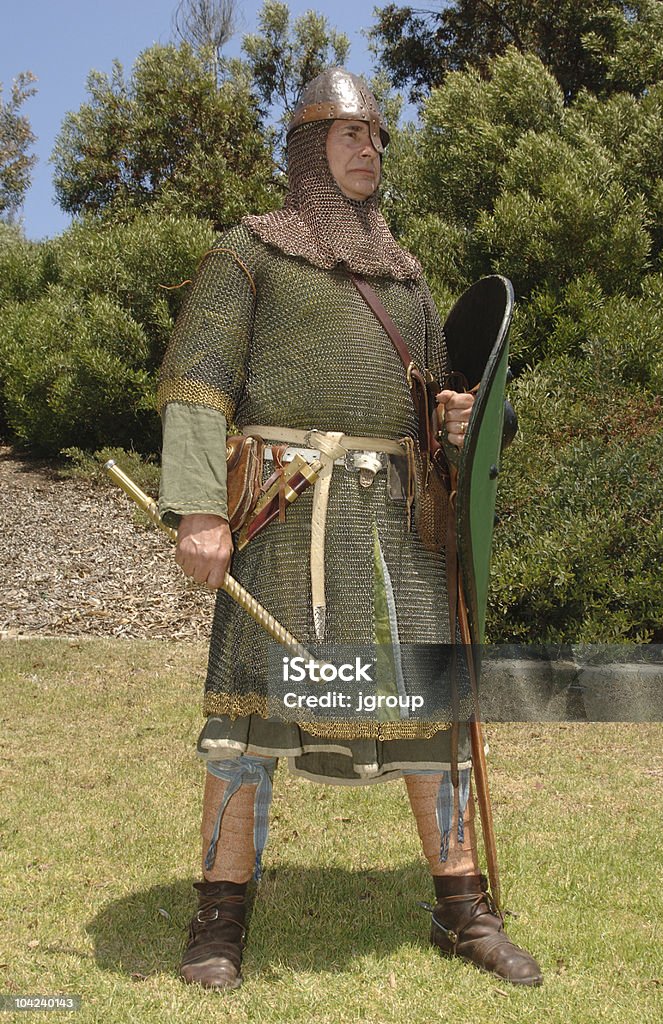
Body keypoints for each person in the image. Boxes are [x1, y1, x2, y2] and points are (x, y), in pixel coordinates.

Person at [157, 67, 542, 990]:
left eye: (375, 137)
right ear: (308, 151)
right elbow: (196, 384)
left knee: (432, 711)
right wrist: (202, 509)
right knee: (249, 721)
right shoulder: (249, 254)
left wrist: (461, 418)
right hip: (285, 513)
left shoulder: (406, 277)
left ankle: (462, 907)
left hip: (395, 528)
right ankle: (218, 919)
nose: (368, 151)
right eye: (349, 136)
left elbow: (457, 402)